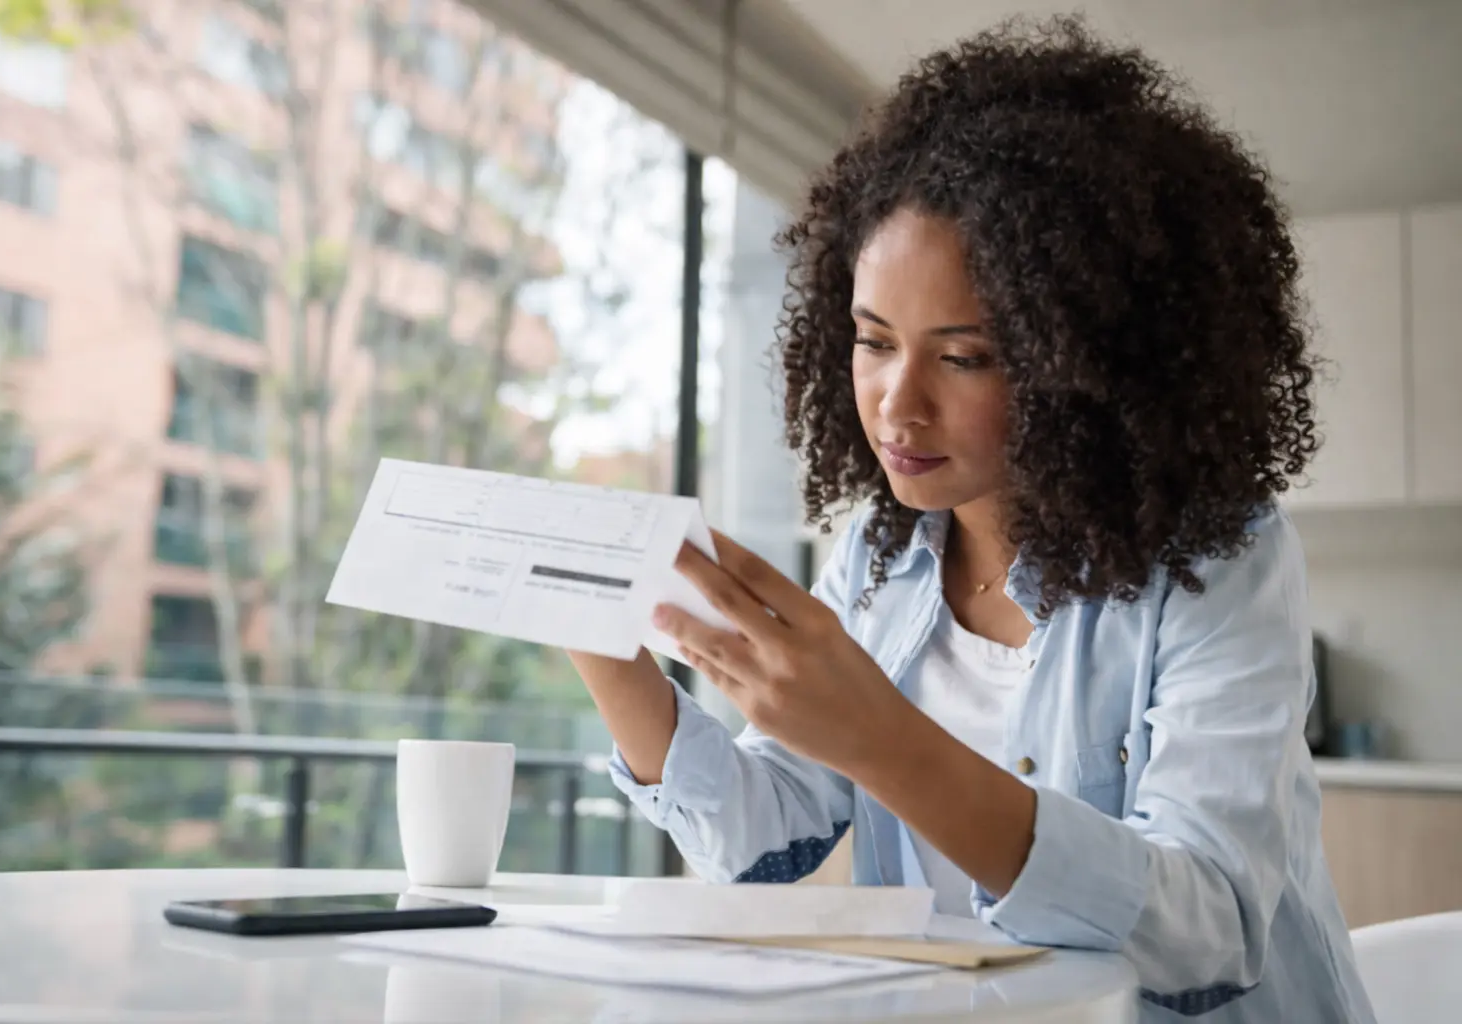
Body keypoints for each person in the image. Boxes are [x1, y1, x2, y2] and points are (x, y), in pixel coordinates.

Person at [566, 17, 1375, 1024]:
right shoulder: (878, 555)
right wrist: (605, 646)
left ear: (1083, 358)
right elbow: (761, 841)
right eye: (872, 342)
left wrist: (884, 740)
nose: (897, 406)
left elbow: (1207, 926)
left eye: (964, 357)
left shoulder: (1218, 555)